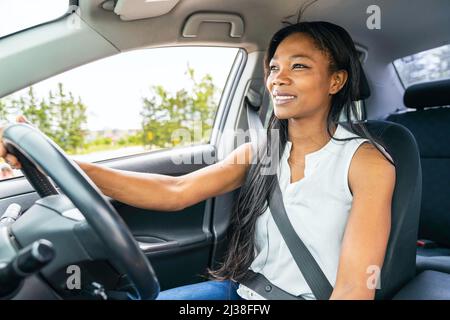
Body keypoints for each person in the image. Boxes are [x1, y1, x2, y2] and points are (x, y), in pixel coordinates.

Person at [0, 21, 395, 300]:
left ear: (336, 81)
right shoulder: (264, 150)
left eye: (299, 67)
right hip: (240, 294)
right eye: (274, 68)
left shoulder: (366, 163)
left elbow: (355, 289)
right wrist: (63, 163)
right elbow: (175, 190)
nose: (278, 79)